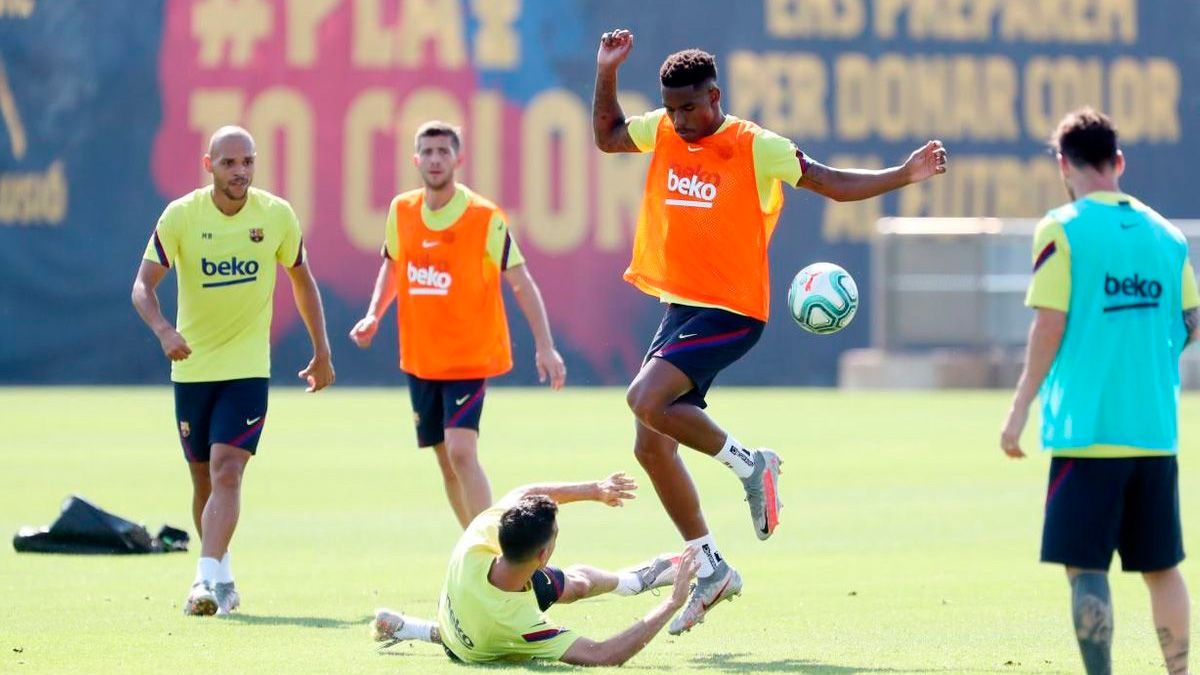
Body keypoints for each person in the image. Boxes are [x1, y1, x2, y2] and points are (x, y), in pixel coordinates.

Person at [591, 30, 948, 633]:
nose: (678, 121)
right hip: (680, 308)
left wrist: (906, 175)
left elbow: (833, 183)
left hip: (731, 311)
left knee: (643, 400)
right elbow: (607, 136)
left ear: (716, 96)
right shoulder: (663, 129)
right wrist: (606, 71)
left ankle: (751, 465)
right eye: (671, 109)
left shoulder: (756, 146)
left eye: (689, 108)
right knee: (650, 444)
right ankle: (709, 566)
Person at [1000, 108, 1198, 675]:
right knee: (1162, 566)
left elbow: (1049, 325)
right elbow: (1190, 321)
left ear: (1064, 164)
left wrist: (1018, 411)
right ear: (1119, 162)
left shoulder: (1061, 228)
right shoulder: (1168, 236)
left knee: (1086, 566)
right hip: (1155, 429)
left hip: (1086, 431)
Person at [132, 126, 335, 616]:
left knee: (227, 471)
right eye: (229, 163)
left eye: (248, 161)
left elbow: (303, 281)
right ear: (209, 165)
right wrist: (163, 331)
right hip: (192, 370)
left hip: (247, 370)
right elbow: (143, 287)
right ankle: (222, 576)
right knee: (202, 479)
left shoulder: (276, 215)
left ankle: (200, 582)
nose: (240, 172)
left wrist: (322, 350)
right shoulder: (181, 216)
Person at [350, 121, 566, 528]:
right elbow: (393, 266)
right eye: (427, 152)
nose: (434, 160)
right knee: (445, 458)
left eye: (443, 152)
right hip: (422, 356)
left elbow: (520, 281)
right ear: (416, 159)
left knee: (462, 452)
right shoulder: (402, 210)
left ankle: (495, 549)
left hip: (469, 355)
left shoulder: (484, 217)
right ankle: (473, 548)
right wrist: (373, 315)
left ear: (458, 159)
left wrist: (545, 345)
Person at [371, 472, 696, 666]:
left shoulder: (478, 538)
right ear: (543, 556)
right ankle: (420, 630)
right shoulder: (520, 624)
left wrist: (594, 490)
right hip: (474, 646)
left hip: (464, 612)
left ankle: (634, 580)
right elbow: (602, 655)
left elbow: (524, 495)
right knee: (508, 643)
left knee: (577, 586)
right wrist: (672, 603)